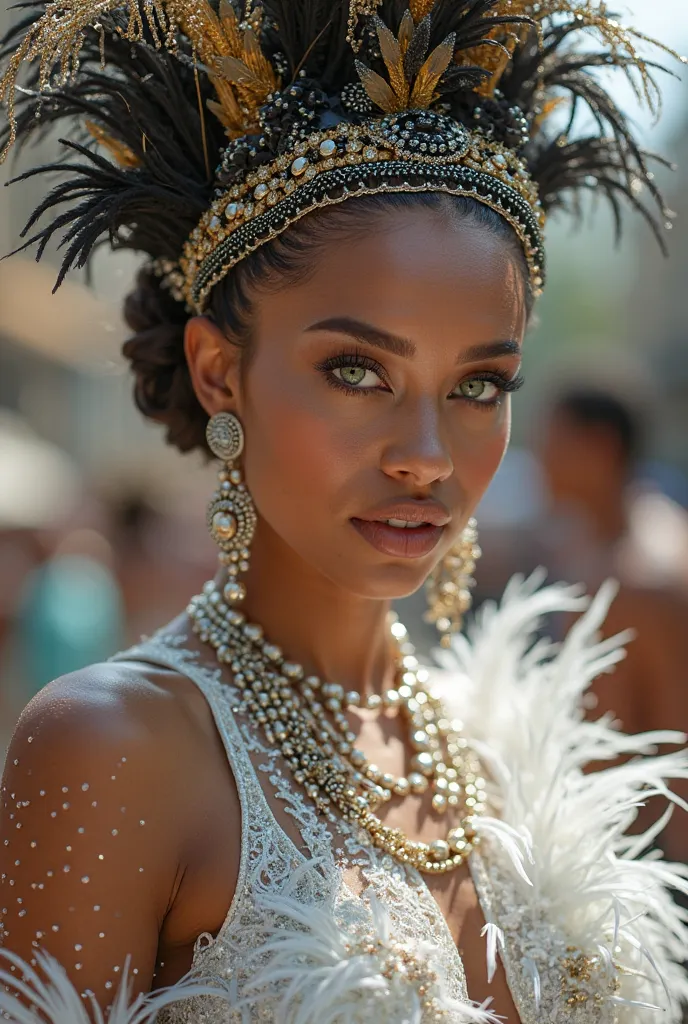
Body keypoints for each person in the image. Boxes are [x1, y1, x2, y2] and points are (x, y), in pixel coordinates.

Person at [0, 2, 686, 1022]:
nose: (424, 455)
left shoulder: (521, 748)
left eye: (479, 384)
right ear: (220, 369)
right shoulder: (113, 747)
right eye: (356, 369)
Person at [539, 387, 688, 864]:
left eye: (554, 443)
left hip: (645, 863)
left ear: (600, 446)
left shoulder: (642, 577)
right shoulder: (590, 538)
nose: (541, 460)